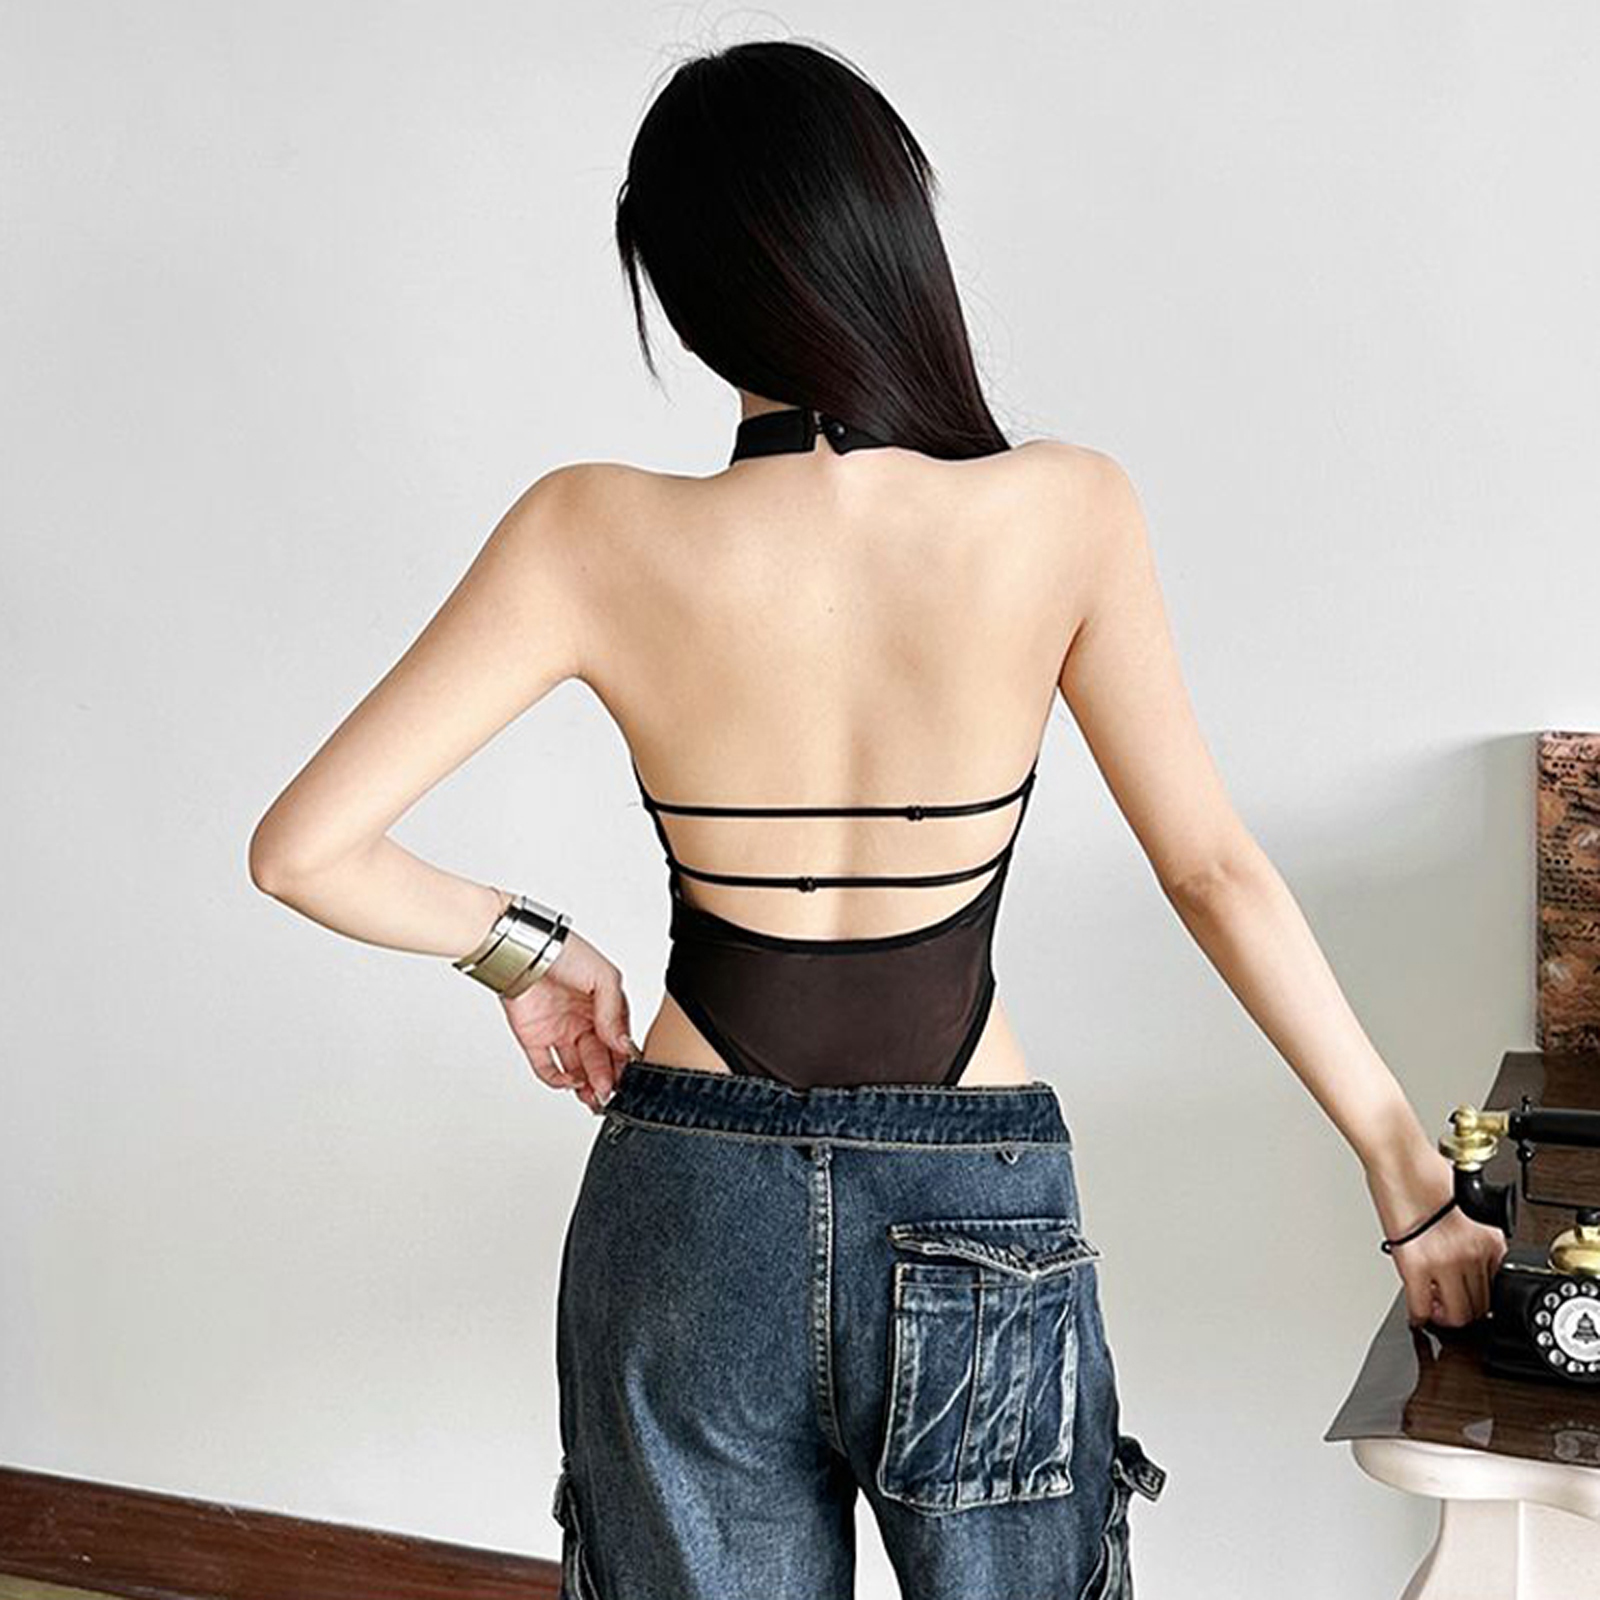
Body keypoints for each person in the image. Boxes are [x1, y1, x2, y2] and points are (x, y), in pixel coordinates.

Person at [247, 36, 1507, 1600]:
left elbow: (304, 853)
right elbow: (1211, 872)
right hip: (976, 1195)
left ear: (688, 296)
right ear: (893, 242)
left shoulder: (586, 531)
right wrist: (1407, 1178)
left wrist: (535, 956)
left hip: (688, 1198)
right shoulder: (1064, 509)